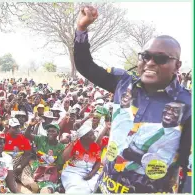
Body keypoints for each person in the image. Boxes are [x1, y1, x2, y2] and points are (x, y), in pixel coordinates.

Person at [74, 6, 191, 193]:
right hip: (105, 188)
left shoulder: (188, 104)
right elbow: (85, 66)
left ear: (177, 65)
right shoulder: (122, 83)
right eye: (146, 56)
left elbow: (187, 166)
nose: (151, 62)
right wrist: (81, 29)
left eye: (161, 59)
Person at [61, 121, 103, 193]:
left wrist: (91, 174)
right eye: (92, 135)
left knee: (100, 187)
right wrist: (72, 144)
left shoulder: (95, 146)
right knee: (76, 189)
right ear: (85, 137)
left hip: (90, 173)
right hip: (73, 172)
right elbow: (64, 158)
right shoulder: (75, 144)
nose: (95, 137)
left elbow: (98, 163)